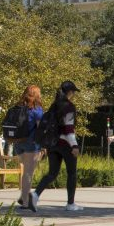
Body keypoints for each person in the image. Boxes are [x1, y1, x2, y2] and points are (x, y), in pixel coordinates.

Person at [28, 81, 81, 213]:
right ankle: (70, 204)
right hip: (66, 145)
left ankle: (35, 196)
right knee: (72, 173)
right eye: (73, 92)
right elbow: (68, 129)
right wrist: (74, 145)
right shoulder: (69, 107)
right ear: (70, 92)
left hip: (52, 144)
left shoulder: (54, 106)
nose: (74, 94)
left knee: (52, 173)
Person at [13, 85, 44, 209]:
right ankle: (25, 201)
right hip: (31, 144)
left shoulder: (18, 108)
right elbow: (41, 129)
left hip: (18, 144)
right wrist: (43, 146)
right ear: (36, 95)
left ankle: (23, 196)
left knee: (26, 171)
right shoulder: (37, 110)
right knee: (28, 173)